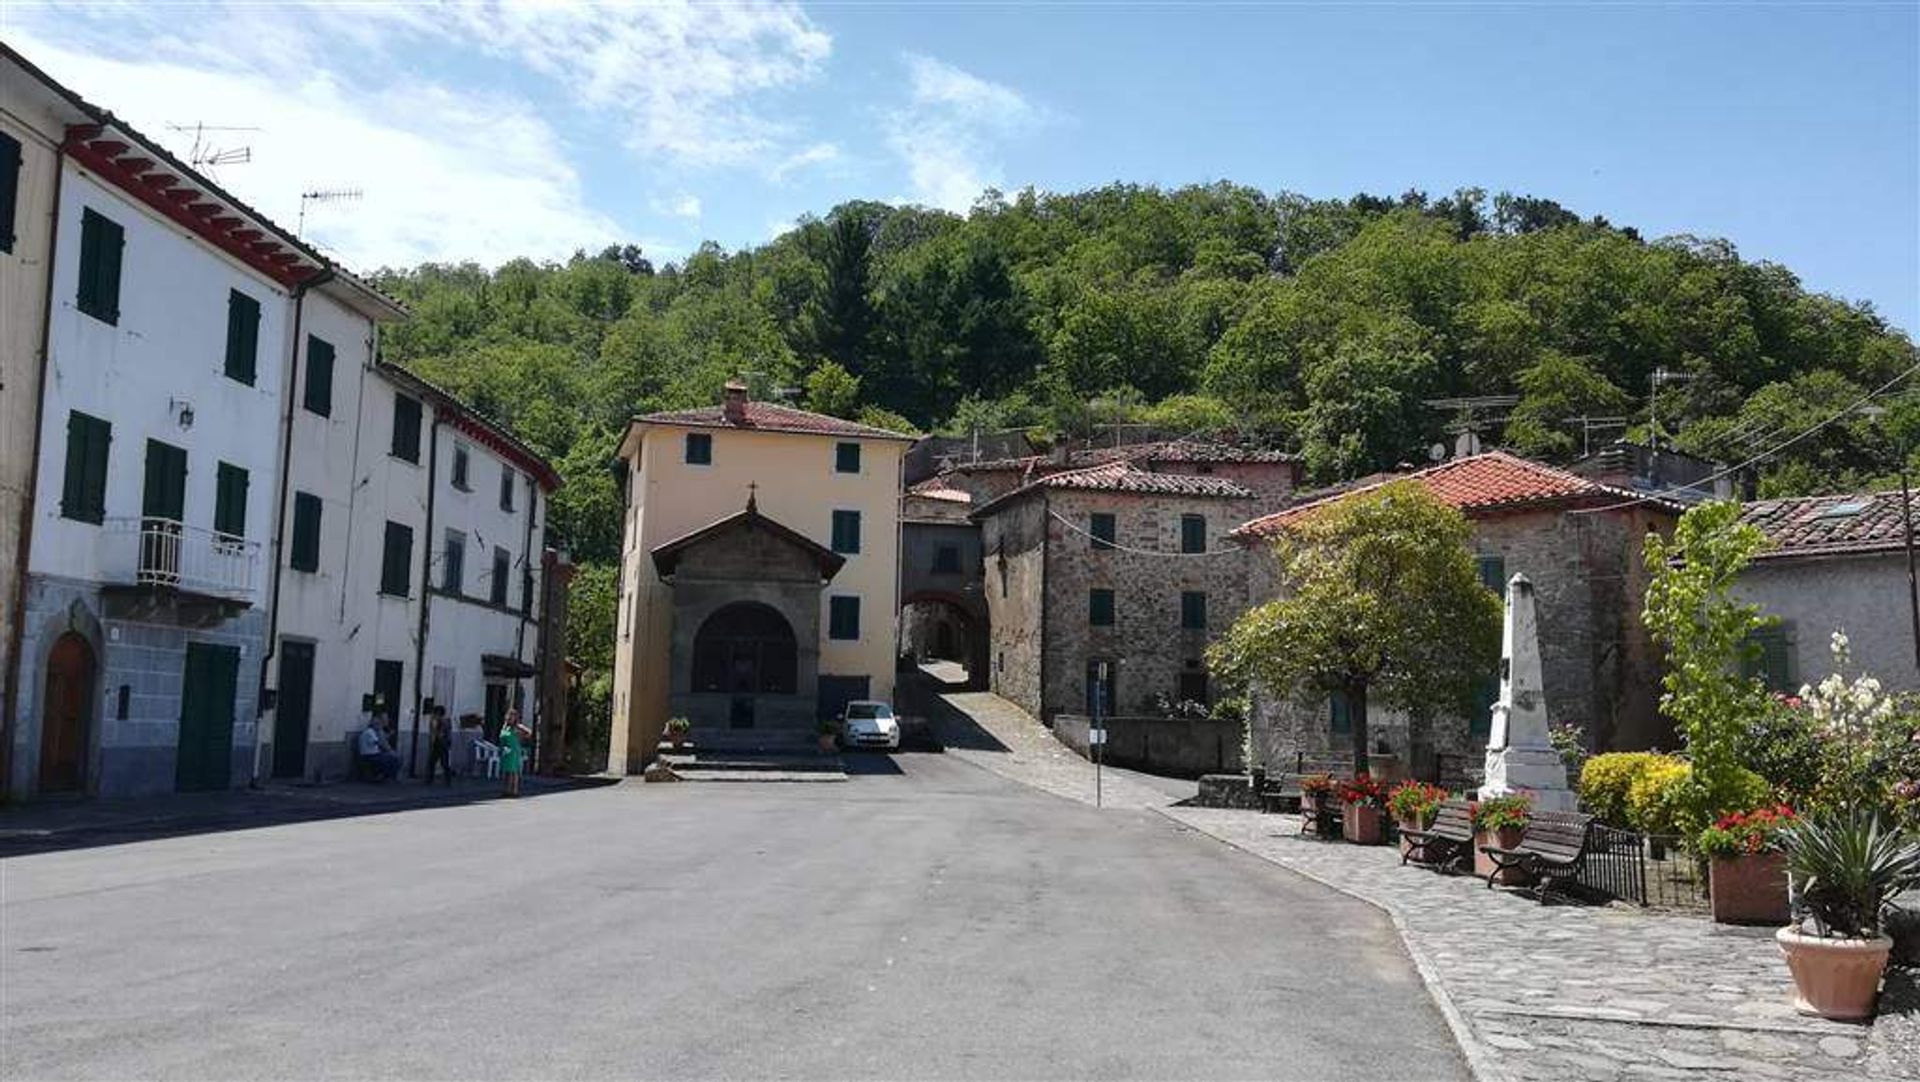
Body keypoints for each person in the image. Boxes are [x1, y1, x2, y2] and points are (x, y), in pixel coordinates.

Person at [356, 714, 400, 782]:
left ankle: (386, 776)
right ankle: (385, 776)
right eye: (378, 724)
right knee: (391, 759)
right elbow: (378, 743)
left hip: (372, 754)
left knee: (392, 758)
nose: (380, 725)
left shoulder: (372, 732)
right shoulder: (370, 732)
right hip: (369, 755)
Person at [499, 707, 527, 797]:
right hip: (505, 751)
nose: (510, 717)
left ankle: (514, 791)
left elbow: (528, 732)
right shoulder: (505, 726)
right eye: (509, 715)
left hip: (513, 750)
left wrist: (520, 737)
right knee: (506, 771)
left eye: (512, 715)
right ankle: (506, 790)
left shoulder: (516, 727)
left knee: (513, 771)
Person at [426, 706, 454, 785]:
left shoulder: (443, 722)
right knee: (435, 762)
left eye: (435, 713)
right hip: (440, 744)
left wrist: (435, 729)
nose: (434, 715)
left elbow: (440, 734)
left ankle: (446, 780)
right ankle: (433, 779)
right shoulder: (445, 721)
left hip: (442, 744)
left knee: (442, 762)